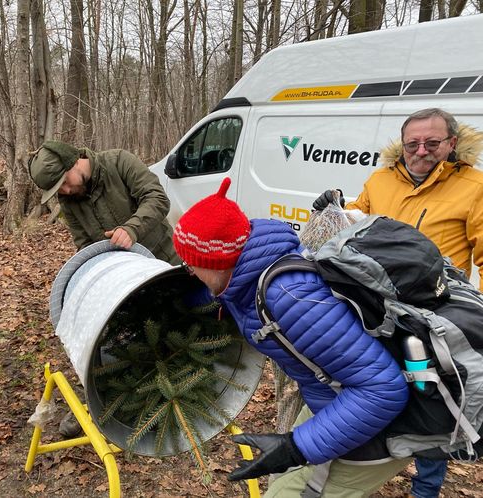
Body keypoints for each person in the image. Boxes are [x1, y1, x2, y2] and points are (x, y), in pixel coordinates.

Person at [173, 177, 412, 497]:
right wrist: (171, 304)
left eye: (192, 264)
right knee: (283, 484)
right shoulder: (246, 265)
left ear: (217, 261)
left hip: (377, 425)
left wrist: (297, 448)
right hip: (331, 397)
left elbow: (384, 389)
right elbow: (225, 295)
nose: (189, 270)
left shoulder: (290, 298)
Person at [314, 108, 483, 498]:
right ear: (402, 145)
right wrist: (334, 206)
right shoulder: (381, 178)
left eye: (432, 143)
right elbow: (356, 224)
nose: (421, 151)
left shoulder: (473, 187)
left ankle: (425, 488)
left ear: (452, 144)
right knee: (375, 388)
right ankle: (364, 468)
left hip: (431, 319)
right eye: (413, 143)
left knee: (431, 401)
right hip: (375, 310)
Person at [28, 140, 180, 265]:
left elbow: (157, 198)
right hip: (125, 276)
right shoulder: (68, 202)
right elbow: (85, 244)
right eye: (58, 190)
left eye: (64, 182)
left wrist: (131, 229)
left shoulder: (119, 161)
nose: (66, 191)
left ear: (73, 161)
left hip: (164, 260)